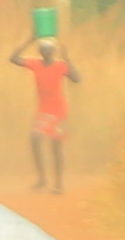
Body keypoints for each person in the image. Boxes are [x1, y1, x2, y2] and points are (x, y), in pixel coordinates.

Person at [9, 24, 80, 194]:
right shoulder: (36, 64)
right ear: (40, 51)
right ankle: (41, 178)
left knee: (56, 146)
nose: (45, 52)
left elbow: (76, 79)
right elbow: (13, 58)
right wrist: (29, 40)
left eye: (48, 49)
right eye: (43, 49)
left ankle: (58, 184)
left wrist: (67, 58)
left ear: (53, 51)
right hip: (43, 111)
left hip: (59, 112)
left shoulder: (61, 66)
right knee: (35, 139)